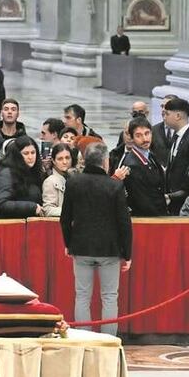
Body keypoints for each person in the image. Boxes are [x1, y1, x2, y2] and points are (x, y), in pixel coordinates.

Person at [60, 142, 133, 337]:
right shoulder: (115, 185)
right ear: (105, 161)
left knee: (82, 296)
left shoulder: (74, 182)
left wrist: (68, 243)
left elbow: (65, 218)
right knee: (109, 297)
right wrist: (127, 253)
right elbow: (124, 222)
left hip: (81, 247)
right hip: (109, 249)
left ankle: (84, 338)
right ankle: (108, 340)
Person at [156, 97, 189, 214]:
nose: (164, 118)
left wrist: (175, 196)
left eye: (167, 114)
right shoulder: (176, 136)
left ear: (178, 116)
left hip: (184, 201)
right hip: (172, 200)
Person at [117, 117, 167, 216]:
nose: (145, 139)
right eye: (138, 136)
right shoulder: (132, 165)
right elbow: (142, 202)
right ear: (132, 137)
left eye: (147, 133)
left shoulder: (151, 155)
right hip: (148, 219)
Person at [0, 135, 44, 218]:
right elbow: (2, 204)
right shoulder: (6, 173)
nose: (30, 157)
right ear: (17, 155)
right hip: (11, 224)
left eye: (33, 152)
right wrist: (32, 207)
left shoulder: (36, 171)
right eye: (26, 153)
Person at [41, 143, 75, 217]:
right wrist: (72, 211)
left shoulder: (74, 177)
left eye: (67, 158)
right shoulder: (50, 181)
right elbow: (48, 209)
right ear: (53, 161)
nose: (65, 162)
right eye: (60, 159)